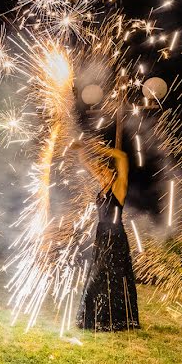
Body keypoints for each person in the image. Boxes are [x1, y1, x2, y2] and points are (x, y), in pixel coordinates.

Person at [73, 141, 140, 332]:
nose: (101, 173)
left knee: (114, 277)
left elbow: (123, 157)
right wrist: (82, 150)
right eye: (100, 171)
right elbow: (86, 163)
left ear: (114, 174)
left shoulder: (119, 188)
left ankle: (114, 320)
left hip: (115, 237)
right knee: (99, 276)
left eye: (105, 171)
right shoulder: (103, 188)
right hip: (102, 236)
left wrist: (97, 148)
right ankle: (97, 317)